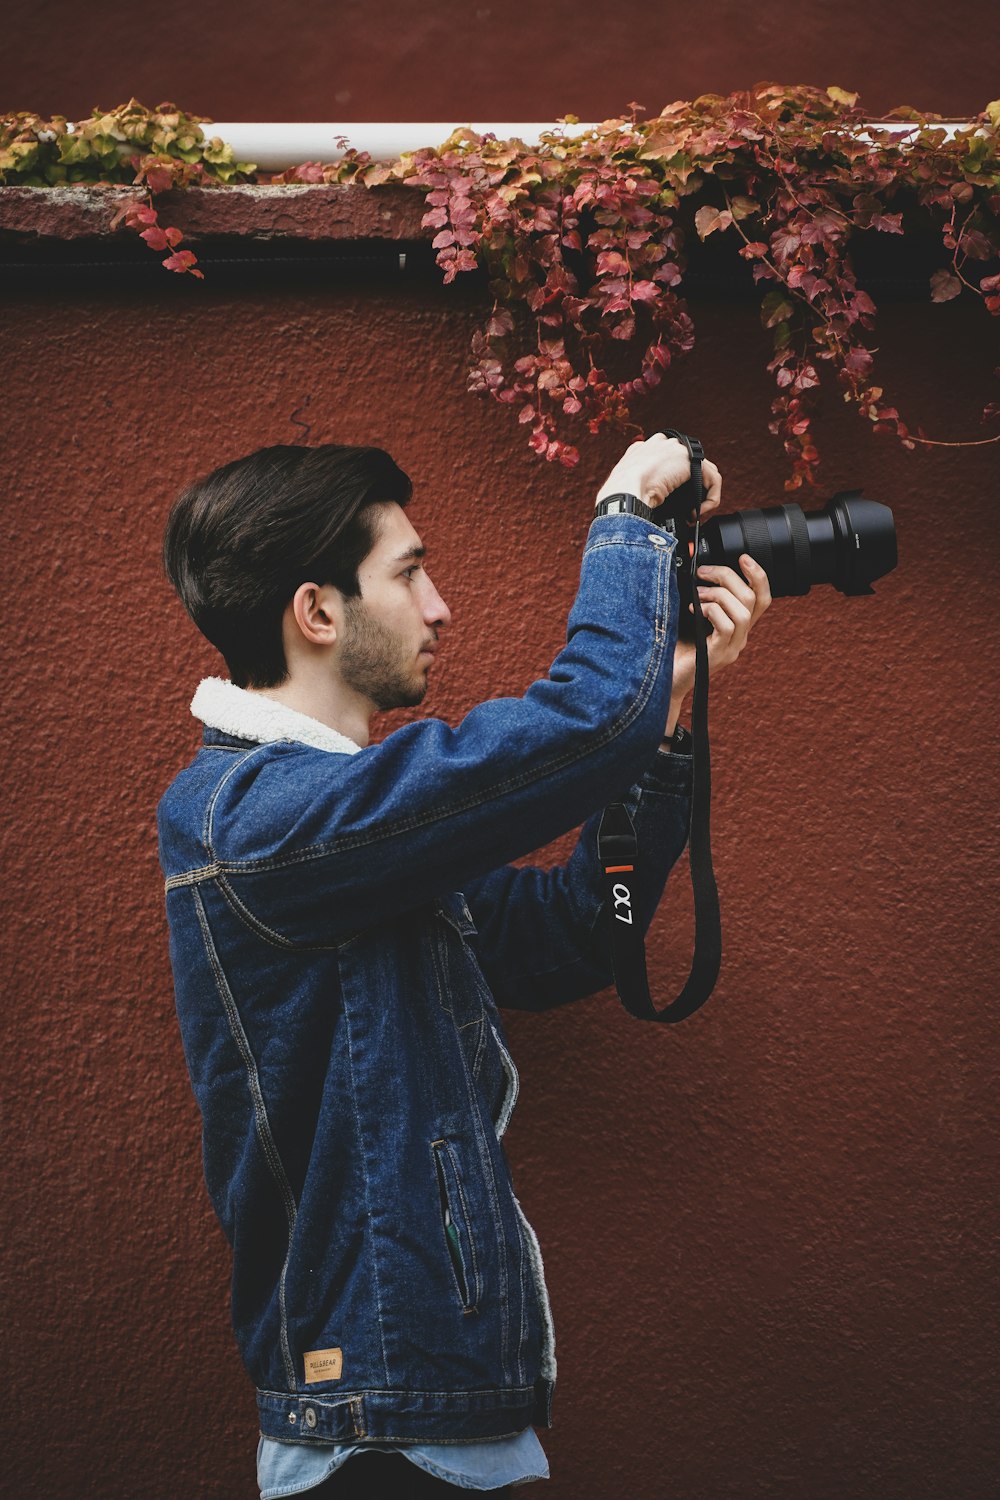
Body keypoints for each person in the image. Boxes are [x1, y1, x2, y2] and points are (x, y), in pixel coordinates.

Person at [157, 433, 771, 1497]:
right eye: (408, 573)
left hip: (438, 1413)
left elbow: (578, 931)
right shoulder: (257, 823)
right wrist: (625, 513)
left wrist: (663, 719)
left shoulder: (353, 837)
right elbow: (581, 722)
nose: (439, 608)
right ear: (317, 612)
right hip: (378, 1432)